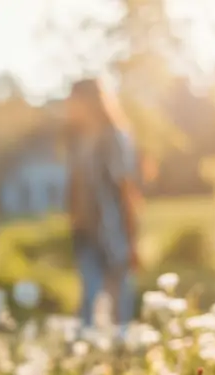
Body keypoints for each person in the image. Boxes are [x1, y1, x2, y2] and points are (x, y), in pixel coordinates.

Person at [64, 76, 143, 335]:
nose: (69, 106)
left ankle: (120, 359)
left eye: (74, 100)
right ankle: (88, 361)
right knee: (89, 301)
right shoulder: (79, 140)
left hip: (113, 232)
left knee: (119, 306)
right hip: (86, 233)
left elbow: (126, 191)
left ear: (89, 101)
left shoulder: (115, 138)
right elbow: (75, 186)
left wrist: (132, 240)